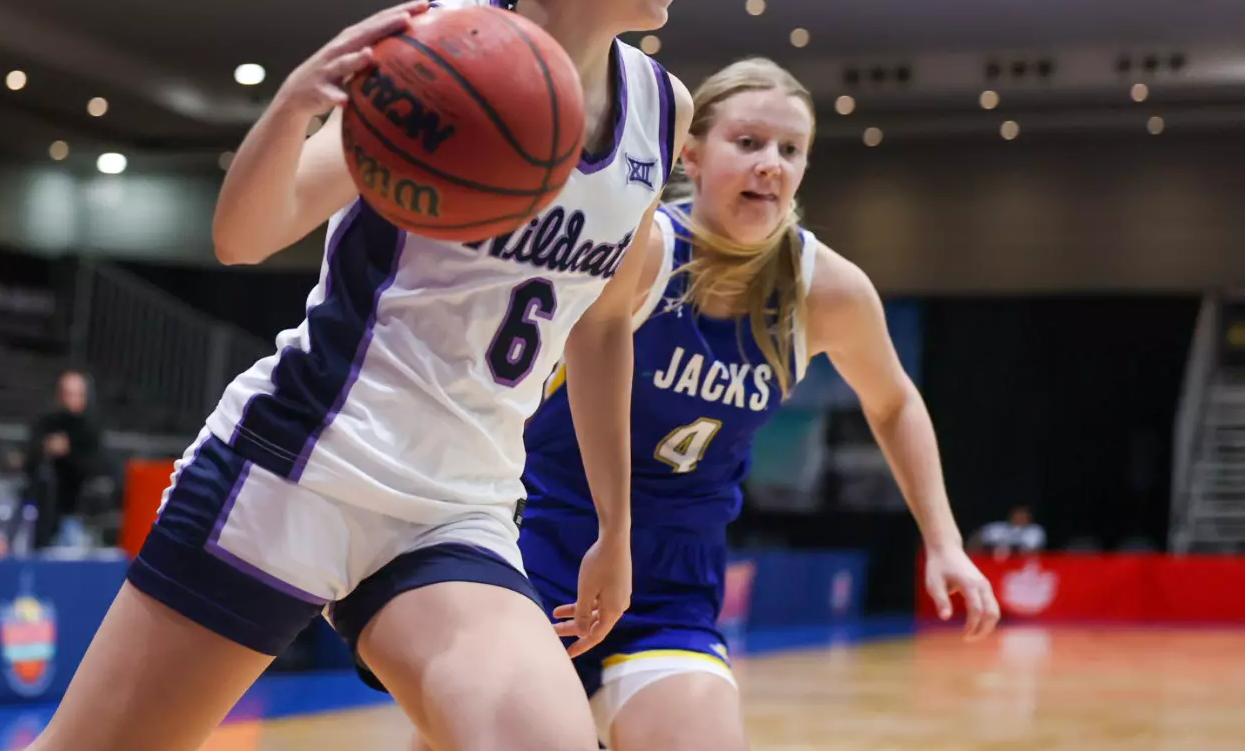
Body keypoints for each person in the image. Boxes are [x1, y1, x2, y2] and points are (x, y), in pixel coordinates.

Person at [24, 0, 697, 751]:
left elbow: (598, 326)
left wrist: (615, 527)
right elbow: (244, 238)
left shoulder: (658, 112)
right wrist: (296, 103)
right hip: (303, 467)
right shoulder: (444, 56)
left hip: (458, 509)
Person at [413, 58, 1001, 751]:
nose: (770, 165)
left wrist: (944, 542)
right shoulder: (639, 250)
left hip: (674, 584)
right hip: (542, 549)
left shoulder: (825, 288)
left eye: (790, 150)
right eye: (747, 143)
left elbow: (895, 401)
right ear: (690, 154)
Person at [24, 370, 105, 548]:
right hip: (41, 512)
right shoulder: (45, 424)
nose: (69, 400)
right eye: (65, 393)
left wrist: (68, 452)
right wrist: (46, 449)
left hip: (74, 512)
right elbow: (29, 460)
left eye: (75, 394)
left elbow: (95, 468)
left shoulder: (89, 430)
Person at [970, 505, 1045, 558]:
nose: (1019, 517)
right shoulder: (998, 528)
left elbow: (1033, 550)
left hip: (1021, 565)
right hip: (993, 563)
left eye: (1023, 515)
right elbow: (978, 537)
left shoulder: (1035, 531)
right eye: (1018, 514)